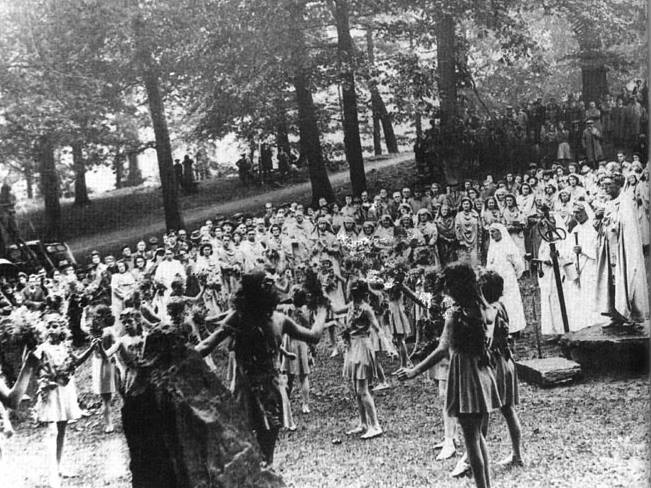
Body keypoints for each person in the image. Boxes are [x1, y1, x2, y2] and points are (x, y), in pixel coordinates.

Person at [195, 272, 328, 465]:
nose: (274, 289)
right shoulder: (265, 319)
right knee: (257, 451)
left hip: (258, 391)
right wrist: (323, 309)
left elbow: (207, 345)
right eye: (268, 285)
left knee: (255, 450)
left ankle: (263, 470)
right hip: (256, 391)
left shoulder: (252, 318)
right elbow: (314, 335)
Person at [396, 262, 501, 488]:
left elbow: (442, 349)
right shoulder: (484, 309)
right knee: (478, 437)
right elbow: (489, 318)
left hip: (464, 376)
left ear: (455, 287)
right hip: (482, 373)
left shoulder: (455, 314)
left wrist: (414, 371)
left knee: (471, 441)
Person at [34, 314, 97, 488]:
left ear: (62, 328)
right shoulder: (42, 348)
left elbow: (76, 362)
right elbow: (34, 368)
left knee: (62, 427)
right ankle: (52, 472)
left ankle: (59, 465)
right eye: (49, 326)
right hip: (51, 390)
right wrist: (44, 381)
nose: (51, 329)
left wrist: (91, 349)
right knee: (52, 430)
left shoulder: (65, 346)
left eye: (55, 326)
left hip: (65, 389)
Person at [478, 270, 524, 468]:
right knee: (508, 410)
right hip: (507, 361)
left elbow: (487, 337)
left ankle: (476, 459)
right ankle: (517, 455)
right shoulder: (502, 305)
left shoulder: (491, 310)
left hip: (496, 364)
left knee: (483, 412)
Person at [336, 279, 383, 439]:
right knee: (357, 390)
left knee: (363, 390)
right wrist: (322, 297)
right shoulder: (351, 306)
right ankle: (363, 423)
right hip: (353, 347)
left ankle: (375, 426)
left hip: (362, 347)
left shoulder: (366, 309)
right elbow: (336, 310)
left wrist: (389, 346)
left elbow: (377, 327)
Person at [486, 223, 526, 334]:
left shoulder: (508, 245)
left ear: (500, 232)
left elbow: (518, 264)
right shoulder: (492, 246)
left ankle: (515, 328)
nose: (492, 234)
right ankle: (502, 328)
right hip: (495, 281)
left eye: (494, 231)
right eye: (490, 232)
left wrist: (514, 276)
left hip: (508, 279)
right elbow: (489, 263)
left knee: (511, 301)